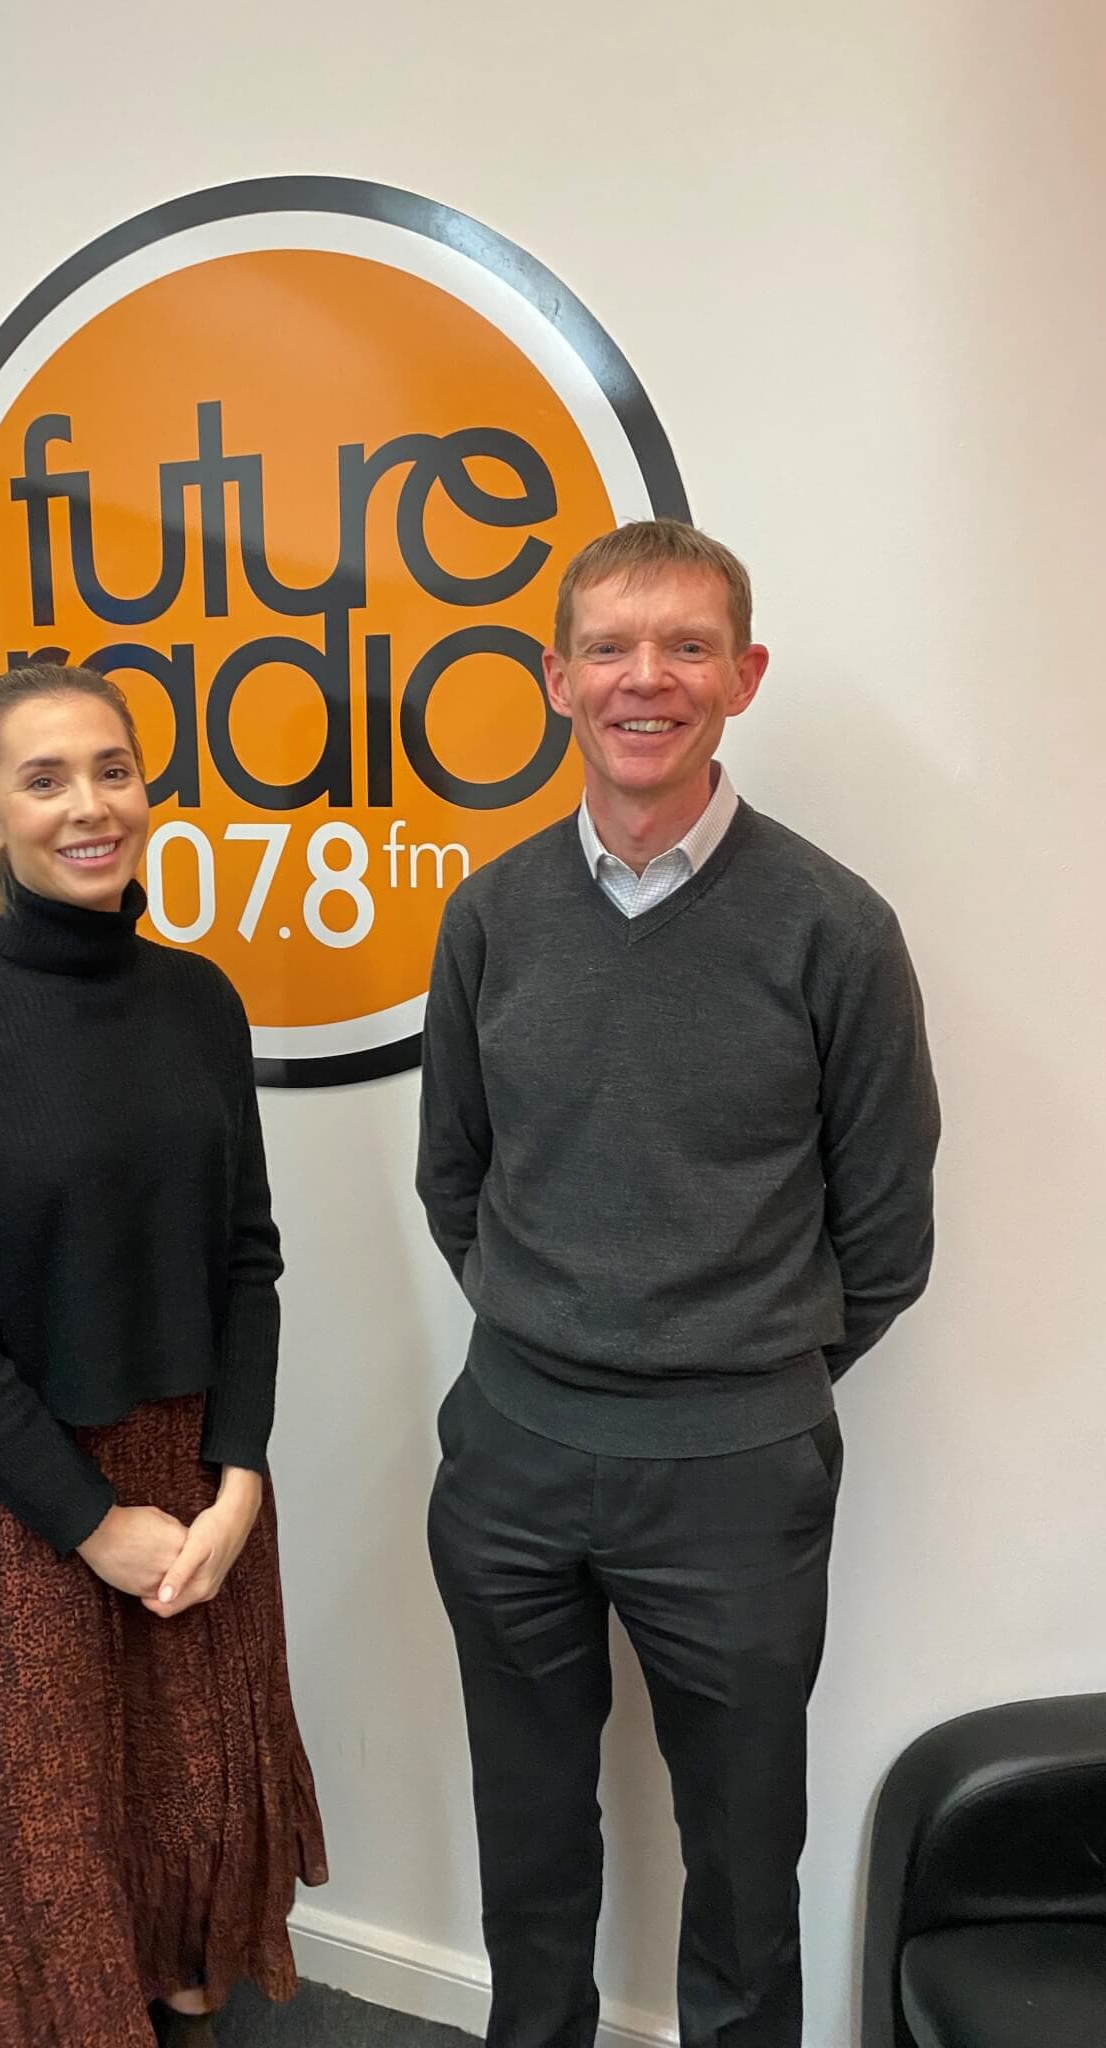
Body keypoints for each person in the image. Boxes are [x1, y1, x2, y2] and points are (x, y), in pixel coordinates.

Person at [417, 520, 939, 2048]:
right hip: (511, 1455)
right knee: (527, 1858)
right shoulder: (490, 916)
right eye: (612, 648)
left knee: (740, 1874)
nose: (649, 678)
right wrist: (558, 1348)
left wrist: (733, 1374)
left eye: (688, 647)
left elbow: (888, 1239)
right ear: (556, 679)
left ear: (743, 675)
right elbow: (455, 1179)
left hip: (737, 1478)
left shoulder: (834, 930)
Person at [0, 664, 326, 2048]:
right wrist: (91, 1523)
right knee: (49, 1857)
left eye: (111, 770)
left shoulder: (201, 1001)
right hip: (23, 1492)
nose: (88, 805)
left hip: (196, 1474)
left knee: (191, 1842)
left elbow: (250, 1254)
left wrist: (236, 1480)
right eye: (45, 779)